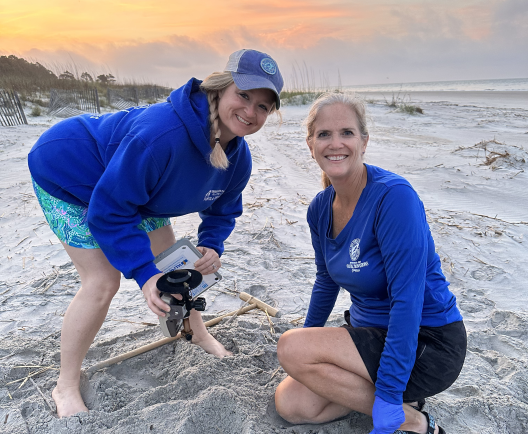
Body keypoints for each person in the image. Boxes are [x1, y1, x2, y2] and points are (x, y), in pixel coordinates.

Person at [28, 48, 283, 418]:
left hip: (135, 190)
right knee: (103, 281)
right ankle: (65, 384)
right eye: (244, 96)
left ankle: (195, 334)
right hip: (70, 171)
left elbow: (223, 209)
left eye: (263, 106)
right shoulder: (162, 136)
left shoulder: (237, 158)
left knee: (179, 263)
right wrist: (146, 276)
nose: (250, 111)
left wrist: (211, 245)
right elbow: (110, 211)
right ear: (219, 89)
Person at [274, 92, 466, 434]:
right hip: (368, 335)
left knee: (290, 346)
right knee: (292, 403)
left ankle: (416, 423)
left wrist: (390, 394)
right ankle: (405, 402)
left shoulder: (394, 197)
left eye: (347, 132)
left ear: (364, 141)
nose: (336, 143)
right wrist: (306, 346)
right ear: (310, 144)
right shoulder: (319, 208)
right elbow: (325, 280)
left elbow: (408, 300)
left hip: (427, 342)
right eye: (324, 134)